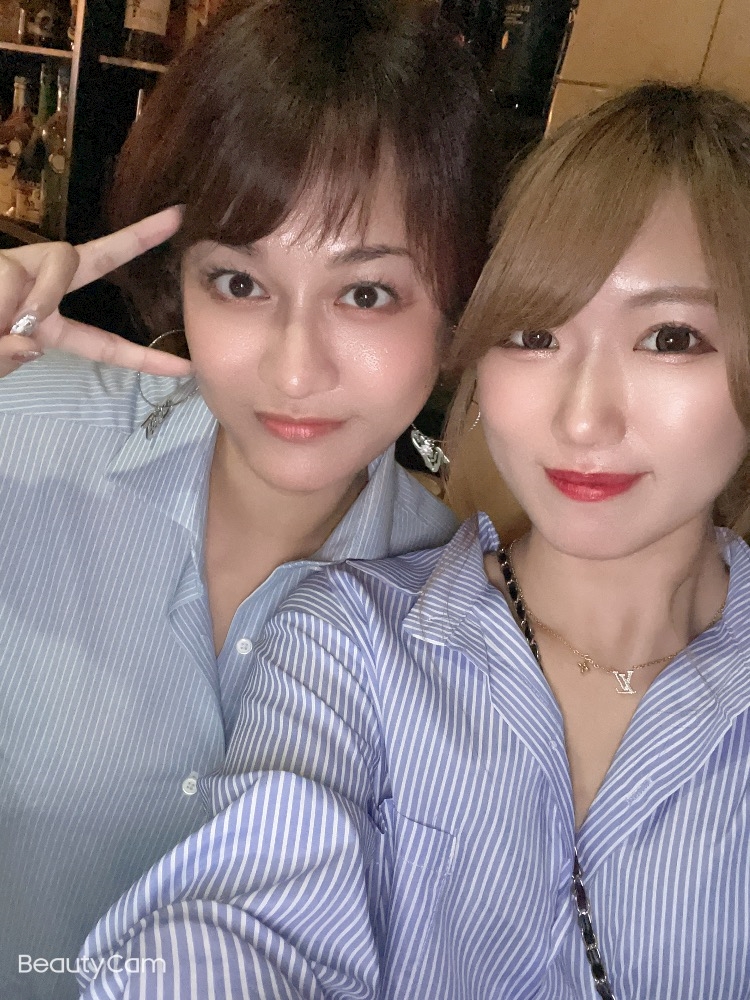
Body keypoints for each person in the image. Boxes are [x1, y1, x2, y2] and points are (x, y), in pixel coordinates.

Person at [77, 81, 750, 1000]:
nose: (584, 419)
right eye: (534, 333)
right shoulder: (351, 641)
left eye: (670, 338)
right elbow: (241, 919)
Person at [0, 1, 495, 996]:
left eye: (366, 293)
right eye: (238, 283)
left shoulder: (469, 619)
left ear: (456, 307)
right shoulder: (24, 431)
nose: (294, 369)